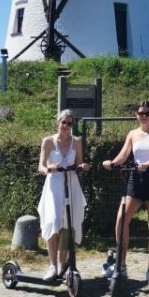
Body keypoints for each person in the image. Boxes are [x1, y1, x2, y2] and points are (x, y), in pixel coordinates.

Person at [102, 101, 149, 288]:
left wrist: (148, 164)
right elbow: (124, 155)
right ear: (136, 115)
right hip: (135, 178)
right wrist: (112, 163)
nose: (144, 116)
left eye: (147, 113)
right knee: (122, 219)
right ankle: (121, 264)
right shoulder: (132, 134)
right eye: (141, 113)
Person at [36, 109, 90, 281]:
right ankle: (51, 265)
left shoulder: (77, 142)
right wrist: (49, 169)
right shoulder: (48, 142)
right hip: (54, 185)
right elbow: (41, 166)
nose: (66, 126)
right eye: (64, 122)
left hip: (71, 184)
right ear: (58, 122)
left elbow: (80, 162)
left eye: (70, 123)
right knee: (53, 221)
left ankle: (61, 264)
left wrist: (84, 167)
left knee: (68, 224)